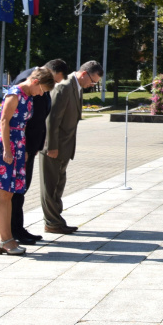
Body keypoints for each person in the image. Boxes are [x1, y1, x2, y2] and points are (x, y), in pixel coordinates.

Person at [0, 67, 56, 255]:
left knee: (9, 194)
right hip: (7, 146)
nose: (41, 94)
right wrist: (7, 149)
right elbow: (4, 121)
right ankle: (5, 239)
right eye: (42, 90)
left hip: (18, 145)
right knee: (3, 194)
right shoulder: (15, 93)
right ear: (35, 82)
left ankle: (5, 238)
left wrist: (24, 149)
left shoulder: (28, 96)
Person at [11, 59, 70, 245]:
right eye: (54, 81)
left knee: (21, 190)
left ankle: (18, 229)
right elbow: (17, 119)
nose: (52, 87)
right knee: (16, 192)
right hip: (22, 148)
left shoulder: (37, 83)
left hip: (29, 149)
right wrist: (27, 148)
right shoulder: (26, 81)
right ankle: (14, 231)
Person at [40, 60, 103, 235]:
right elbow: (51, 119)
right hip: (54, 147)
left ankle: (56, 220)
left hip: (65, 146)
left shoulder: (76, 87)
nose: (92, 85)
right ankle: (52, 223)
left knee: (58, 184)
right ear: (84, 74)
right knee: (50, 185)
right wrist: (51, 146)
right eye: (93, 81)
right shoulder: (64, 87)